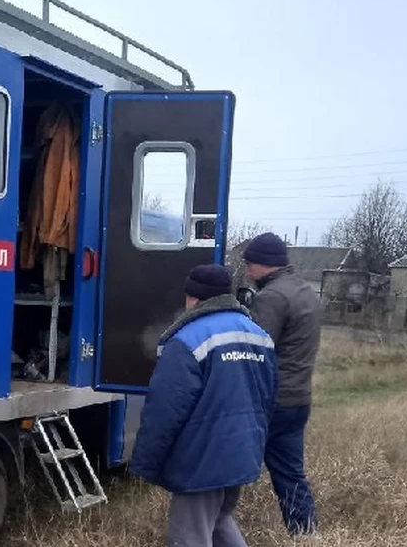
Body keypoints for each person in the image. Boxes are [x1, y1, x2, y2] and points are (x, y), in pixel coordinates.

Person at [131, 264, 278, 547]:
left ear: (193, 298)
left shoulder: (187, 340)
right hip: (243, 451)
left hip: (202, 459)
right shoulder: (258, 335)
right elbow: (268, 397)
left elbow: (165, 411)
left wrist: (147, 462)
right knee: (219, 521)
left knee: (188, 536)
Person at [242, 232, 321, 535]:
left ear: (265, 264)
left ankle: (212, 528)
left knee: (228, 467)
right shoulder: (304, 290)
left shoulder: (272, 297)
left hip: (271, 401)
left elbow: (254, 347)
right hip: (298, 398)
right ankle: (306, 533)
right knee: (291, 474)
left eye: (250, 265)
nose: (248, 271)